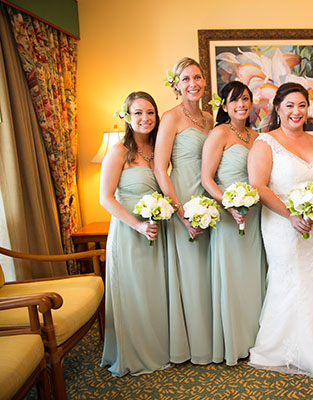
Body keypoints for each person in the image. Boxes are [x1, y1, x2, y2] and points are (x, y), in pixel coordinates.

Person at [247, 82, 313, 379]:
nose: (296, 111)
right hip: (281, 224)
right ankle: (284, 349)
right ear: (277, 108)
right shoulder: (265, 142)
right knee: (291, 281)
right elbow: (258, 186)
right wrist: (291, 216)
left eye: (302, 105)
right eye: (289, 105)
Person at [99, 91, 170, 376]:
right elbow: (106, 198)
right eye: (138, 113)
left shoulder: (159, 149)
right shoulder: (118, 151)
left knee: (154, 291)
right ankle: (135, 353)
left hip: (155, 231)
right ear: (127, 117)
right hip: (129, 233)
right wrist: (137, 225)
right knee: (135, 293)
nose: (145, 118)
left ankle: (158, 347)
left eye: (150, 112)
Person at [200, 81, 266, 365]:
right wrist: (229, 205)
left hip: (255, 216)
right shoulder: (219, 133)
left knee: (254, 276)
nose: (241, 104)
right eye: (235, 100)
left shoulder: (257, 136)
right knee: (233, 277)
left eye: (246, 99)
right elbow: (207, 179)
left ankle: (256, 340)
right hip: (228, 217)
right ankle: (234, 343)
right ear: (225, 106)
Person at [154, 57, 214, 364]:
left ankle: (212, 338)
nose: (194, 83)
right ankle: (194, 345)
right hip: (182, 198)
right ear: (176, 84)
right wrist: (180, 212)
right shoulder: (170, 117)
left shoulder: (210, 119)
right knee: (189, 271)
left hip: (208, 199)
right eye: (186, 78)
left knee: (207, 270)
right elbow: (160, 168)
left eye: (198, 77)